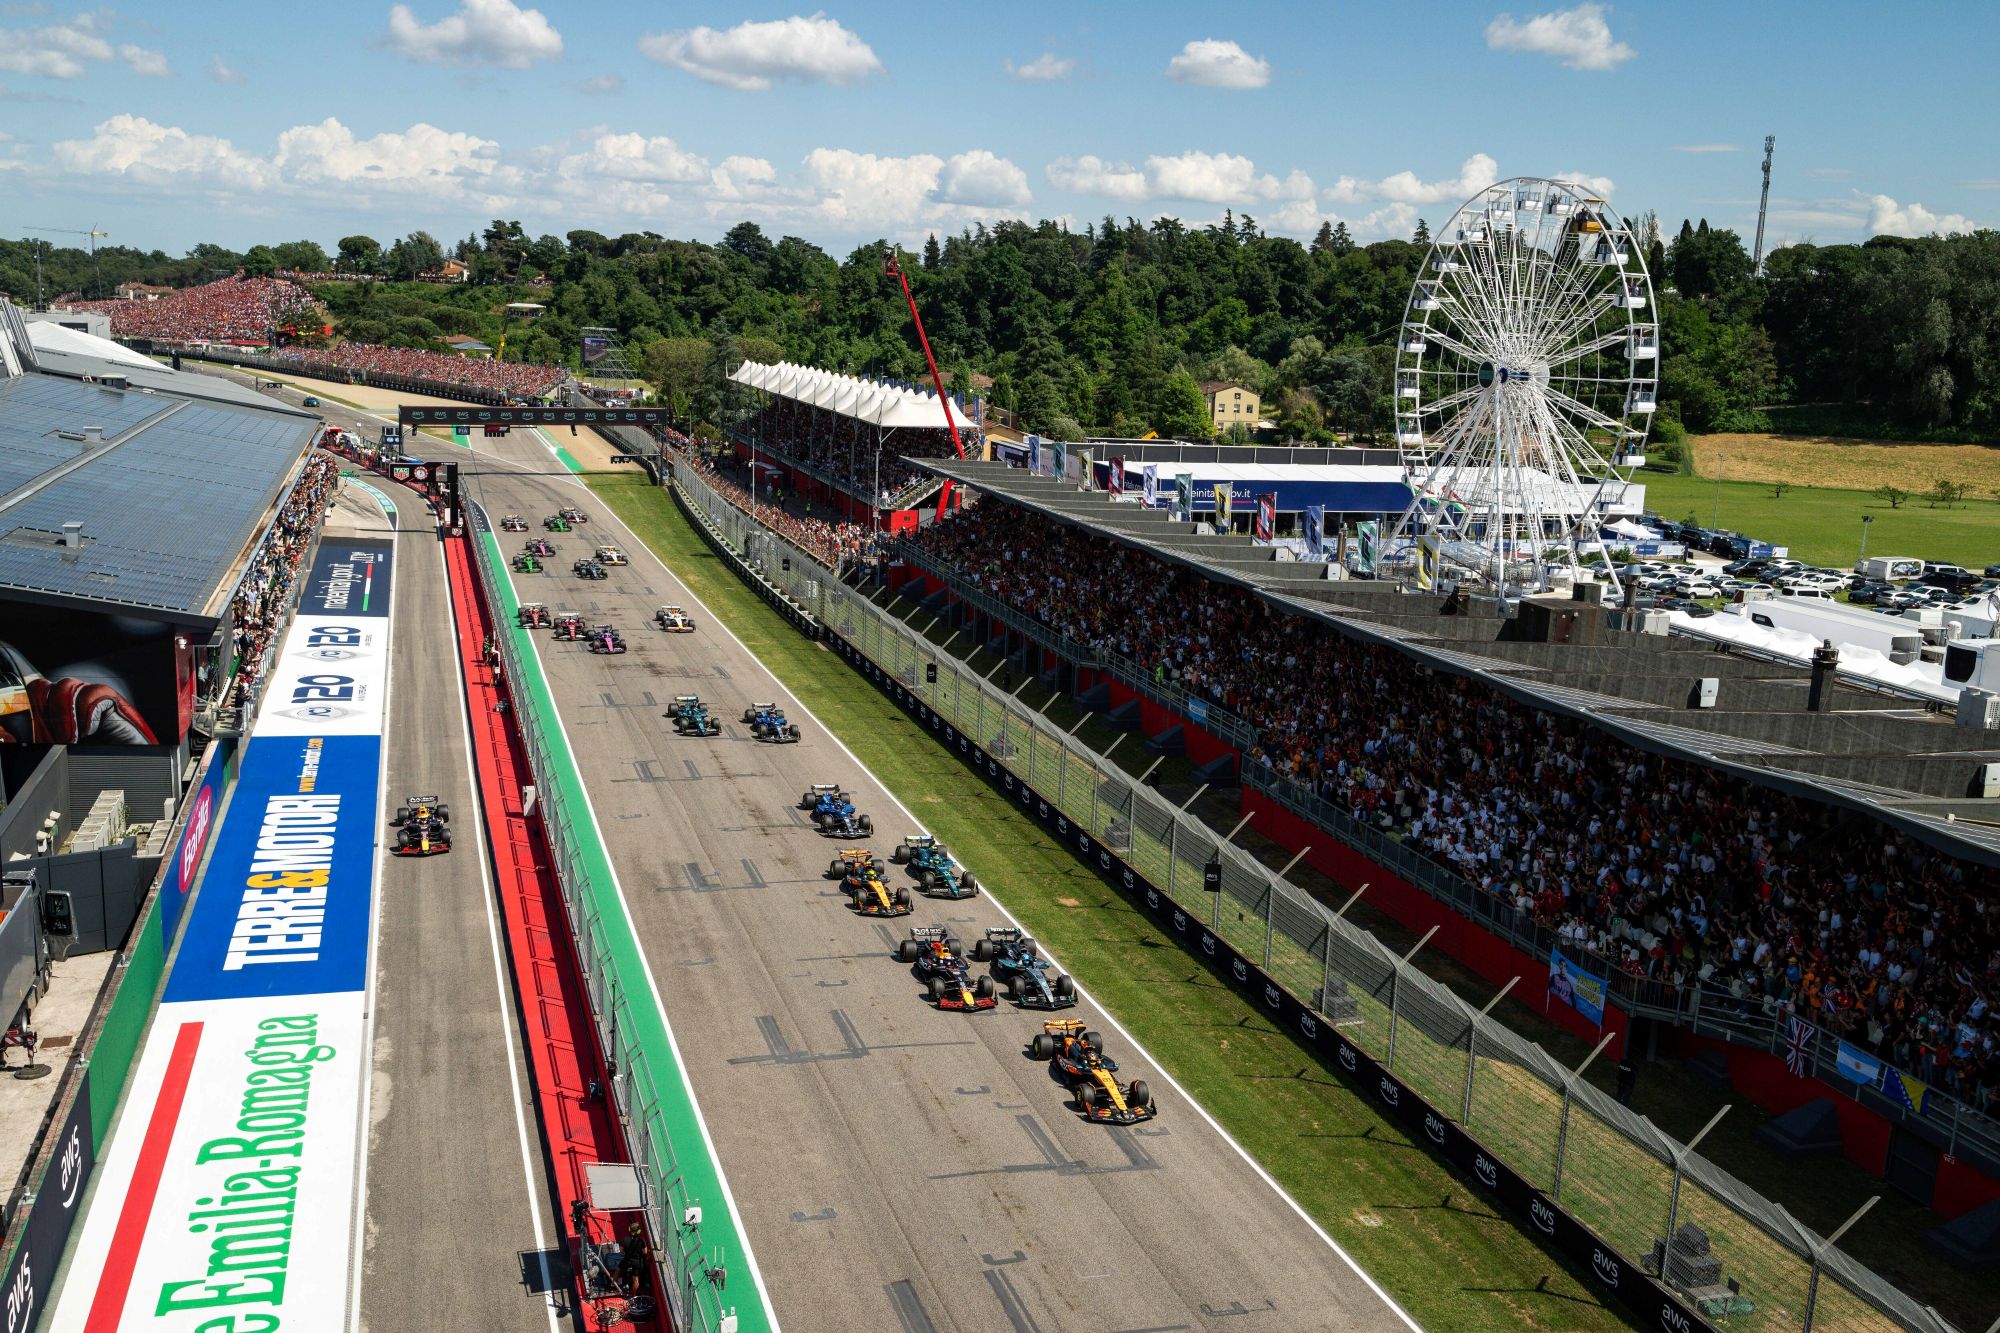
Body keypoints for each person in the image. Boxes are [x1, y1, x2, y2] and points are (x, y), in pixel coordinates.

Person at [615, 1222, 652, 1299]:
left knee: (618, 1269)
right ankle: (634, 1294)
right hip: (637, 1263)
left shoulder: (624, 1239)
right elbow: (645, 1252)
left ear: (629, 1229)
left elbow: (622, 1251)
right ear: (638, 1231)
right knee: (635, 1279)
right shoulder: (641, 1241)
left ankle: (613, 1284)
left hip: (627, 1261)